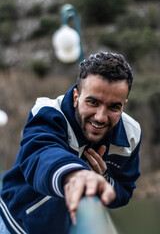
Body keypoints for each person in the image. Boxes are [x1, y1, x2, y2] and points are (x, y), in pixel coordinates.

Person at [0, 52, 141, 234]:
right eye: (92, 102)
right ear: (76, 97)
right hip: (16, 225)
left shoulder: (132, 135)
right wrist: (76, 175)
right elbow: (41, 153)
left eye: (114, 106)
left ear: (124, 104)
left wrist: (103, 180)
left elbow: (123, 192)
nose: (100, 117)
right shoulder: (47, 111)